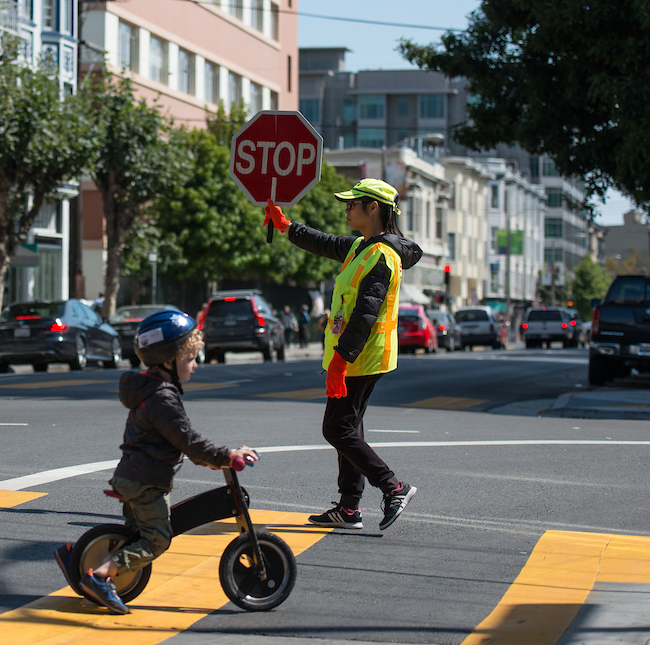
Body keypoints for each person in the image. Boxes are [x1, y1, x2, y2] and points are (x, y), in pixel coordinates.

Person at [56, 310, 258, 614]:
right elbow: (187, 440)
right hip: (145, 482)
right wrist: (226, 456)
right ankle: (99, 577)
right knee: (157, 541)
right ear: (168, 360)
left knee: (136, 535)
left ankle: (77, 557)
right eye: (190, 358)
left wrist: (216, 458)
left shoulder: (152, 389)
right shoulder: (162, 398)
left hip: (137, 475)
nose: (196, 364)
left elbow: (183, 440)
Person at [264, 178, 423, 531]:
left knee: (336, 428)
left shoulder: (382, 256)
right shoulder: (362, 248)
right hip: (356, 356)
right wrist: (286, 225)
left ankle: (393, 487)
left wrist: (341, 360)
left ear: (374, 208)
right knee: (350, 427)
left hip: (363, 356)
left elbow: (366, 314)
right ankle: (349, 507)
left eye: (353, 203)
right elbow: (324, 242)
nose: (346, 208)